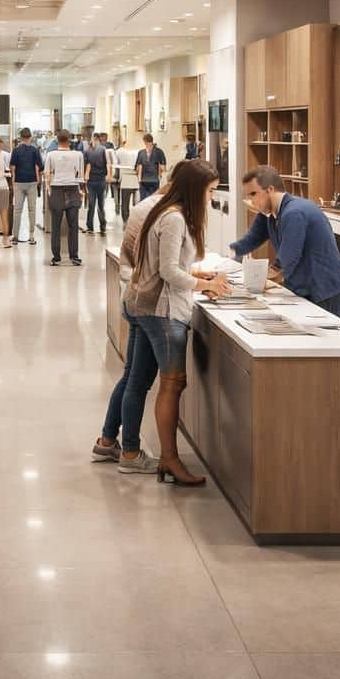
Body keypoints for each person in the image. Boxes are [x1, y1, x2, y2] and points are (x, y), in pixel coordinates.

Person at [123, 159, 231, 485]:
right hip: (163, 310)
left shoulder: (165, 212)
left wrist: (197, 274)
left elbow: (163, 264)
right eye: (210, 191)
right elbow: (169, 271)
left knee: (137, 379)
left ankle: (130, 451)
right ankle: (169, 459)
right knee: (172, 384)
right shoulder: (174, 219)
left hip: (148, 305)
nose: (211, 198)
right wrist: (206, 285)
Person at [93, 160, 194, 473]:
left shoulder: (149, 208)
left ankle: (109, 441)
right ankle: (131, 453)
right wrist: (196, 279)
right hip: (153, 304)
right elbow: (159, 267)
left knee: (133, 377)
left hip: (136, 299)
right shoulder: (165, 214)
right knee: (146, 381)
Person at [230, 165, 340, 316]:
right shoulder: (269, 214)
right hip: (306, 288)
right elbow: (250, 241)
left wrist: (263, 276)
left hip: (326, 292)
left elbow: (289, 255)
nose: (250, 200)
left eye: (253, 194)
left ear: (270, 189)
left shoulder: (294, 212)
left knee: (313, 338)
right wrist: (230, 255)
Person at [43, 130, 85, 266]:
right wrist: (81, 191)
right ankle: (74, 256)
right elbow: (81, 175)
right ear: (70, 140)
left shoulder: (51, 155)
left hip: (56, 189)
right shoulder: (78, 155)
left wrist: (49, 189)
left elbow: (47, 174)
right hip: (73, 189)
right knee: (73, 225)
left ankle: (56, 257)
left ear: (57, 139)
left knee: (55, 225)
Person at [8, 127, 44, 245]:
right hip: (32, 182)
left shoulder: (16, 150)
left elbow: (12, 167)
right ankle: (32, 236)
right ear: (30, 137)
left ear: (21, 137)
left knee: (17, 210)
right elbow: (40, 166)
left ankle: (15, 237)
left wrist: (13, 180)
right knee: (32, 210)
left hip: (19, 182)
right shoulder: (34, 150)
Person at [82, 132, 110, 236]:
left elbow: (86, 166)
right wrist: (108, 175)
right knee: (101, 205)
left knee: (91, 205)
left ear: (93, 139)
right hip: (101, 180)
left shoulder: (87, 151)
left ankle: (90, 227)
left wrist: (85, 178)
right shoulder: (103, 149)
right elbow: (107, 163)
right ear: (99, 139)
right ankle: (103, 227)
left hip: (91, 181)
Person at [134, 132, 167, 202]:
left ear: (144, 141)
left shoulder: (141, 152)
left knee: (143, 201)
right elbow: (163, 168)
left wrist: (138, 179)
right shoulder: (159, 152)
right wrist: (160, 173)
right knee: (153, 201)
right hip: (154, 180)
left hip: (143, 181)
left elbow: (137, 168)